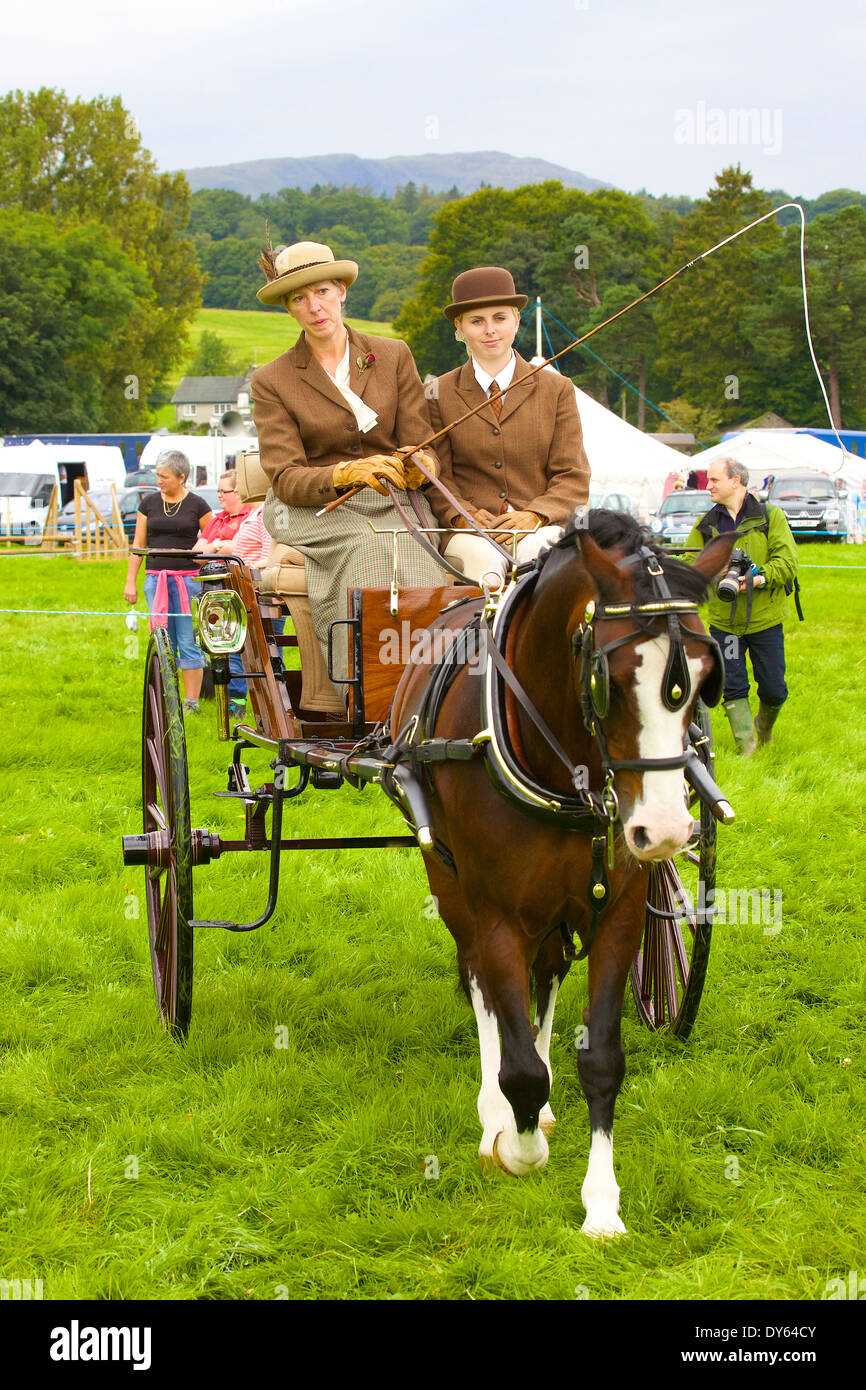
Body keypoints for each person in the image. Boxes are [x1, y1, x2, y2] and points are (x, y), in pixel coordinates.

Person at [250, 240, 449, 679]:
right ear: (289, 309)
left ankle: (431, 689)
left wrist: (420, 467)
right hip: (309, 507)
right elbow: (285, 478)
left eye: (321, 291)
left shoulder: (393, 354)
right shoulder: (272, 380)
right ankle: (365, 690)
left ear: (342, 290)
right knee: (371, 548)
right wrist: (346, 472)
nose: (314, 307)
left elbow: (422, 444)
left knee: (421, 553)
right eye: (299, 298)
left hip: (391, 500)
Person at [423, 266, 590, 587]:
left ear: (517, 319)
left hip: (540, 526)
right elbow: (435, 476)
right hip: (467, 532)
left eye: (499, 318)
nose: (490, 330)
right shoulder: (435, 393)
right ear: (459, 327)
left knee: (539, 555)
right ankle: (484, 637)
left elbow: (573, 474)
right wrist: (462, 515)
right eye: (476, 321)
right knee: (484, 562)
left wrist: (536, 515)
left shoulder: (557, 389)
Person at [685, 457, 798, 755]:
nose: (707, 486)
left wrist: (756, 579)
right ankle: (746, 749)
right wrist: (712, 570)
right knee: (732, 685)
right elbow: (688, 564)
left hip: (765, 619)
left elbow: (787, 563)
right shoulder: (707, 525)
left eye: (713, 480)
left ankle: (763, 728)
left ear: (736, 481)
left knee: (774, 688)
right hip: (725, 623)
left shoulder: (770, 517)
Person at [124, 451, 213, 714]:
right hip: (155, 581)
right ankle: (166, 697)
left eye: (164, 476)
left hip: (188, 583)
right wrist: (131, 582)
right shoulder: (148, 503)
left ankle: (191, 702)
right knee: (162, 638)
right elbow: (138, 545)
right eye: (158, 475)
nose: (159, 480)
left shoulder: (198, 505)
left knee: (187, 639)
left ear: (181, 477)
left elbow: (212, 541)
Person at [192, 469, 252, 716]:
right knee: (227, 650)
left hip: (244, 592)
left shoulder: (250, 517)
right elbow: (197, 554)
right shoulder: (217, 520)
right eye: (217, 491)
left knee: (260, 651)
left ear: (237, 492)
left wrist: (214, 546)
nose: (218, 496)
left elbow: (240, 549)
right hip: (217, 596)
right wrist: (221, 546)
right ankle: (235, 705)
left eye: (223, 491)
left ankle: (262, 702)